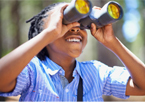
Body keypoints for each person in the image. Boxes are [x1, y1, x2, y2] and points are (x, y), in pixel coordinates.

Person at [0, 2, 145, 101]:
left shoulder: (96, 73)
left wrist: (112, 42)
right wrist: (49, 34)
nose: (75, 28)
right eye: (64, 23)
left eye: (82, 24)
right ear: (44, 32)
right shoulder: (33, 71)